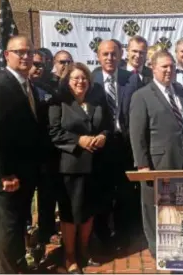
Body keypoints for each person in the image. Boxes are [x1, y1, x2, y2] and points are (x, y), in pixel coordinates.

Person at [0, 35, 45, 273]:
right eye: (19, 52)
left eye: (28, 52)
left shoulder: (29, 87)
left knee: (17, 229)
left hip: (25, 176)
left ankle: (18, 268)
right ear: (7, 55)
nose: (25, 57)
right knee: (7, 233)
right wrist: (5, 174)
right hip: (7, 178)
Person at [48, 62, 113, 273]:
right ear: (67, 81)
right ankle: (69, 257)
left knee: (88, 212)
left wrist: (103, 136)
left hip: (95, 166)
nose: (80, 81)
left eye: (84, 78)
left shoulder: (97, 102)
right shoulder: (58, 103)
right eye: (75, 78)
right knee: (70, 214)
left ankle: (84, 251)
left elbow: (107, 126)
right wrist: (79, 140)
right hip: (70, 168)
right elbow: (54, 133)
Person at [129, 50, 183, 258]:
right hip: (156, 162)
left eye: (172, 66)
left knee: (175, 205)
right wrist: (142, 164)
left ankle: (176, 242)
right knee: (153, 206)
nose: (169, 70)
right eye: (164, 66)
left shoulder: (180, 92)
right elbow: (137, 133)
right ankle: (157, 247)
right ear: (153, 68)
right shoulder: (142, 95)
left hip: (180, 160)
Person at [91, 40, 139, 250]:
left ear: (121, 56)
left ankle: (123, 234)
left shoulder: (132, 79)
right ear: (98, 56)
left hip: (125, 144)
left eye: (113, 54)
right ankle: (102, 235)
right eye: (105, 54)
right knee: (102, 192)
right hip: (100, 146)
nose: (109, 58)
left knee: (125, 192)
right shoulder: (90, 79)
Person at [27, 51, 60, 263]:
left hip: (47, 153)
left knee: (47, 197)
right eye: (35, 64)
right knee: (25, 200)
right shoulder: (16, 89)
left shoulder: (49, 90)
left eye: (42, 65)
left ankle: (47, 234)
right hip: (26, 155)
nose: (38, 68)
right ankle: (28, 238)